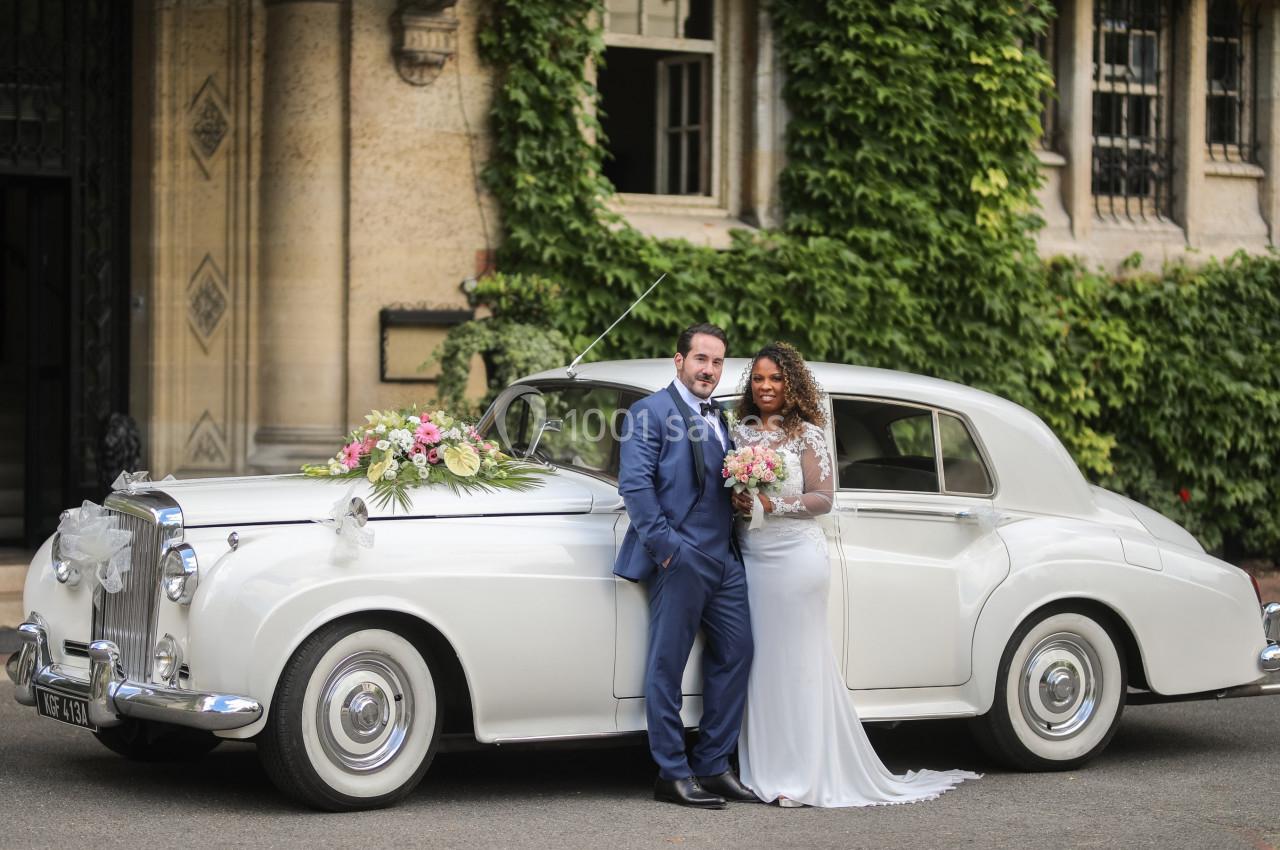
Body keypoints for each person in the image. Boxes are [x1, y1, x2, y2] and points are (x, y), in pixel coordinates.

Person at [729, 342, 980, 807]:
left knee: (799, 662)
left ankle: (801, 774)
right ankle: (763, 767)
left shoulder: (807, 435)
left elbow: (823, 499)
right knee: (760, 662)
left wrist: (770, 504)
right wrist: (740, 500)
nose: (765, 387)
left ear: (792, 385)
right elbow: (734, 490)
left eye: (775, 379)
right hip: (753, 556)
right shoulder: (740, 435)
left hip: (795, 560)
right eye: (759, 379)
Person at [614, 323, 758, 810]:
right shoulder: (648, 413)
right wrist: (669, 550)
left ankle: (713, 765)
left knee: (737, 653)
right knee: (666, 665)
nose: (709, 370)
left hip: (725, 558)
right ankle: (671, 773)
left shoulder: (721, 417)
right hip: (679, 558)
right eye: (701, 359)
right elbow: (635, 487)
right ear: (678, 361)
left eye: (717, 363)